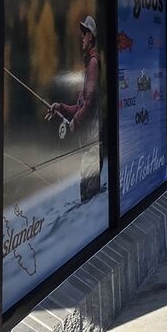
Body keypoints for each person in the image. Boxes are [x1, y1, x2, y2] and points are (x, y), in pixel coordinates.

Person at [49, 15, 102, 201]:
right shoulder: (89, 66)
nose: (82, 37)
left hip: (92, 146)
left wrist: (75, 123)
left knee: (89, 198)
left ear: (91, 36)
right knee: (86, 196)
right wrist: (60, 107)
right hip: (88, 148)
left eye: (85, 33)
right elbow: (79, 106)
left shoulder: (93, 64)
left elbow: (89, 103)